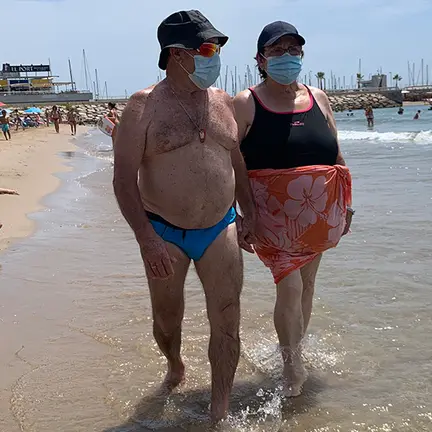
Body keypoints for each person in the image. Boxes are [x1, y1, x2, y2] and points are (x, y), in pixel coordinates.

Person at [111, 10, 254, 423]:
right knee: (167, 319)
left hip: (221, 227)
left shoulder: (223, 102)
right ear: (177, 54)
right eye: (208, 48)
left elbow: (238, 164)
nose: (216, 56)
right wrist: (146, 238)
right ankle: (174, 363)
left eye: (219, 48)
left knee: (227, 317)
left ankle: (219, 409)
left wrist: (250, 214)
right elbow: (123, 180)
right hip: (164, 232)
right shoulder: (143, 107)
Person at [234, 21, 353, 398]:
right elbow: (232, 159)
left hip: (318, 216)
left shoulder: (318, 97)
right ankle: (292, 367)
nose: (287, 57)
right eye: (277, 50)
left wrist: (346, 204)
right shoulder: (246, 102)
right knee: (290, 283)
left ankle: (291, 348)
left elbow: (335, 152)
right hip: (271, 217)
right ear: (261, 59)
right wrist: (242, 212)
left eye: (294, 50)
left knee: (308, 284)